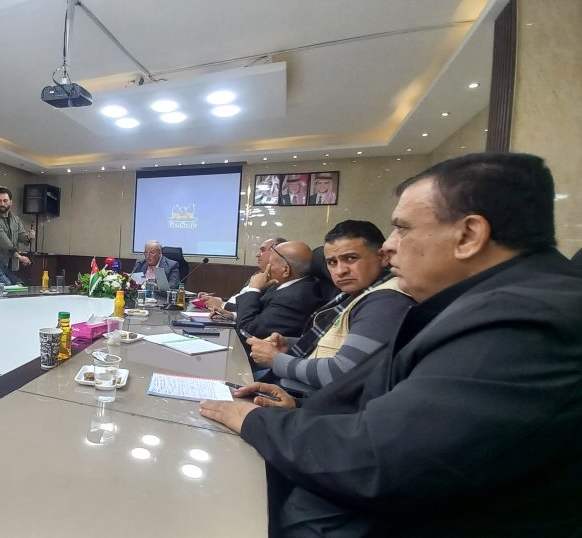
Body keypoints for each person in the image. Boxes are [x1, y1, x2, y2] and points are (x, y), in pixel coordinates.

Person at [200, 153, 582, 536]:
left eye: (402, 229)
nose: (388, 247)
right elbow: (400, 414)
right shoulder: (494, 300)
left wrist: (254, 419)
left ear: (468, 236)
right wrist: (299, 408)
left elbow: (376, 459)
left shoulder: (525, 323)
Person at [246, 220, 414, 394]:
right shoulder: (359, 291)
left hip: (305, 399)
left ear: (383, 257)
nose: (340, 271)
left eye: (351, 258)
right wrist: (288, 344)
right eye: (332, 262)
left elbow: (340, 373)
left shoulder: (385, 301)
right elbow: (339, 346)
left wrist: (276, 360)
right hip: (293, 388)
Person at [235, 240, 324, 341]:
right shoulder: (288, 285)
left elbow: (246, 333)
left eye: (270, 264)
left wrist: (253, 289)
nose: (267, 269)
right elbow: (257, 314)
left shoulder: (294, 299)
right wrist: (234, 316)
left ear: (285, 270)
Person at [199, 237, 286, 319]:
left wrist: (223, 305)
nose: (257, 254)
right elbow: (241, 298)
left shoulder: (275, 280)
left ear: (276, 253)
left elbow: (255, 309)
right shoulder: (257, 274)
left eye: (262, 250)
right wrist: (217, 299)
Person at [0, 187, 34, 274]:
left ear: (11, 202)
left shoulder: (16, 219)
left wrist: (28, 237)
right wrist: (18, 256)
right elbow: (4, 241)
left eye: (5, 201)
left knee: (14, 282)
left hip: (13, 264)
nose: (2, 204)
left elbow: (21, 236)